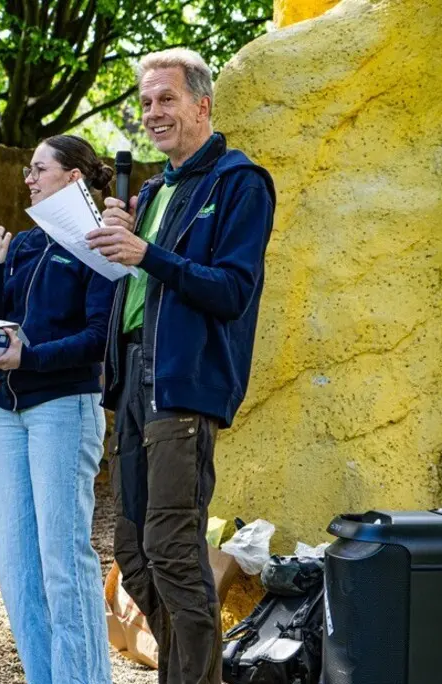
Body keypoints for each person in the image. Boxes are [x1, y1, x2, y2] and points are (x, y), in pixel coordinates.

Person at [86, 48, 276, 684]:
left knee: (171, 546)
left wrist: (147, 253)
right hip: (132, 379)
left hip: (183, 382)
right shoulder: (150, 192)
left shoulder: (239, 183)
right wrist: (118, 246)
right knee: (135, 553)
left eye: (166, 98)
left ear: (202, 105)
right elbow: (136, 284)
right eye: (145, 102)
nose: (153, 113)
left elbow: (232, 290)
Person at [0, 135, 116, 683]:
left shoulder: (99, 241)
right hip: (9, 412)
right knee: (17, 568)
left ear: (73, 177)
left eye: (39, 169)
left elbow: (99, 339)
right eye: (28, 170)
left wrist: (27, 358)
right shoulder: (27, 243)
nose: (28, 178)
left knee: (63, 564)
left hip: (64, 407)